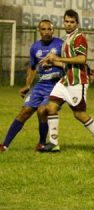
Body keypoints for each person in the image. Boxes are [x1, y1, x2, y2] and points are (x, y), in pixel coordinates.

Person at [38, 9, 94, 153]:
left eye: (72, 22)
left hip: (77, 82)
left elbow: (82, 59)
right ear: (63, 22)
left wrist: (57, 58)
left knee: (79, 114)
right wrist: (52, 63)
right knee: (50, 107)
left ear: (76, 23)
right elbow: (67, 64)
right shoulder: (67, 39)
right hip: (65, 81)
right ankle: (53, 143)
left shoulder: (79, 37)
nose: (69, 24)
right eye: (66, 21)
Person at [0, 20, 64, 152]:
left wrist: (55, 63)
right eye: (43, 29)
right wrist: (28, 85)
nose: (46, 32)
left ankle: (41, 143)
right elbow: (32, 68)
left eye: (49, 29)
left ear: (53, 30)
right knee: (25, 112)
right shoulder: (35, 47)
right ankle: (5, 145)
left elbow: (69, 64)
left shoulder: (61, 45)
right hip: (40, 85)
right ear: (39, 31)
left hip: (55, 85)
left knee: (42, 110)